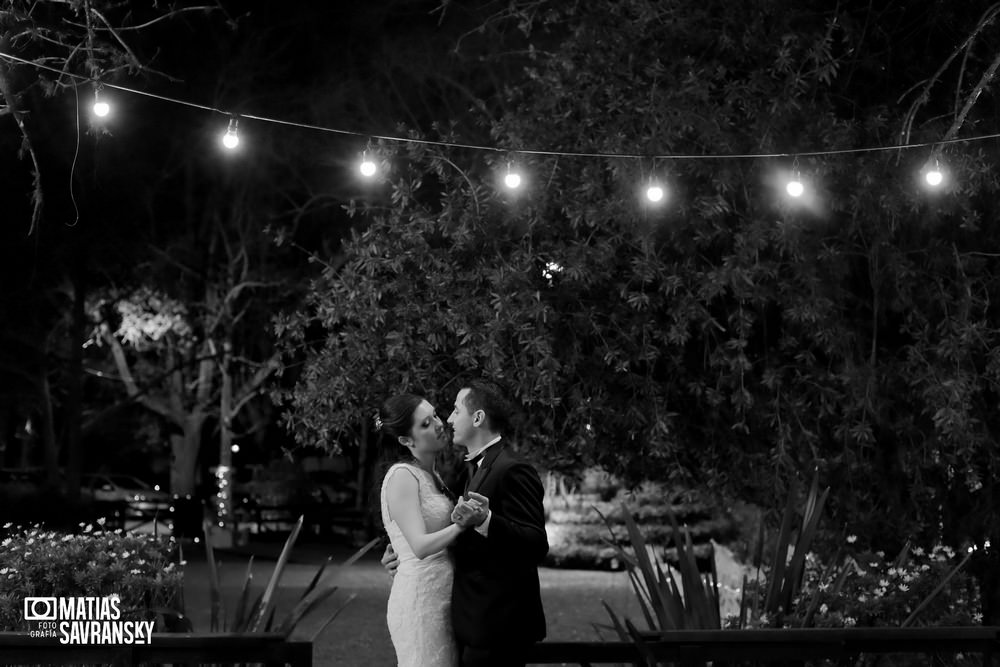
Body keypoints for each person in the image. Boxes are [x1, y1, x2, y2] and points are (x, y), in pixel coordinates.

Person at [382, 378, 549, 667]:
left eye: (454, 411)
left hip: (499, 625)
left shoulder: (512, 468)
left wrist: (486, 519)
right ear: (405, 440)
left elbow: (536, 543)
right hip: (470, 620)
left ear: (478, 417)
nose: (445, 420)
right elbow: (444, 535)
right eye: (429, 421)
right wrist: (402, 554)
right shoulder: (469, 471)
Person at [375, 393, 487, 667]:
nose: (438, 424)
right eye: (425, 424)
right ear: (406, 440)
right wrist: (462, 525)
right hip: (420, 604)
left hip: (441, 600)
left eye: (435, 415)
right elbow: (420, 546)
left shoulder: (431, 475)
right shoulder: (402, 476)